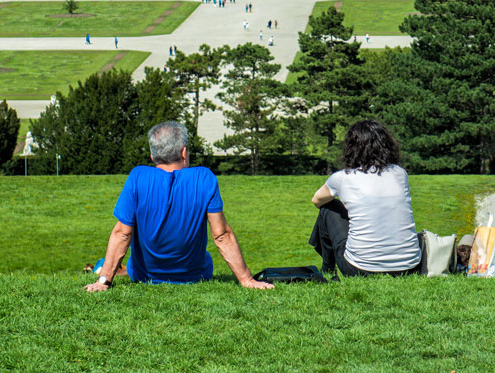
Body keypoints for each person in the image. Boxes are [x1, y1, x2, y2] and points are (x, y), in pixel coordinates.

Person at [85, 121, 272, 292]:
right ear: (184, 152)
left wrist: (103, 282)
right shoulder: (204, 178)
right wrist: (246, 279)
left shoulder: (137, 177)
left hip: (144, 276)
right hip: (194, 276)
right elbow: (221, 235)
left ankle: (106, 269)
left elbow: (122, 233)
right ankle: (111, 268)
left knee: (124, 264)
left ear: (152, 156)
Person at [308, 120, 421, 277]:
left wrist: (346, 207)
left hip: (360, 268)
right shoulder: (400, 173)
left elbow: (317, 200)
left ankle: (327, 269)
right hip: (409, 266)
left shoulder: (342, 178)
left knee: (329, 207)